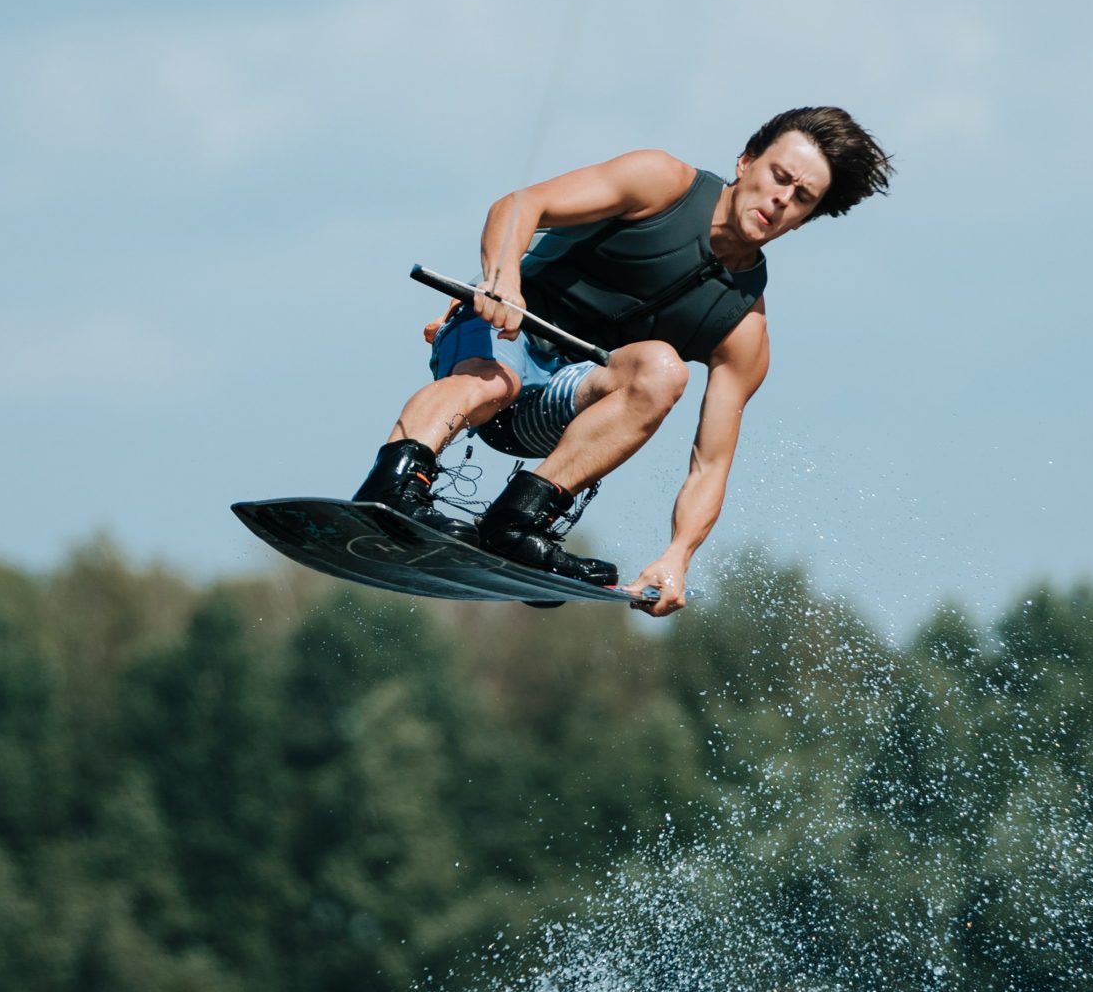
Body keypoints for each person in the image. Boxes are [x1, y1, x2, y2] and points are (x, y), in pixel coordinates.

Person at [353, 106, 893, 616]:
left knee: (664, 368)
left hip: (559, 404)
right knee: (496, 380)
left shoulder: (745, 328)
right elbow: (518, 205)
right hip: (499, 336)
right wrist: (502, 279)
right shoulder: (661, 182)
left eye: (801, 198)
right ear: (746, 161)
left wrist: (678, 556)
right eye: (779, 176)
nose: (781, 200)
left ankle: (518, 523)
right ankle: (395, 485)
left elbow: (711, 464)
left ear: (805, 219)